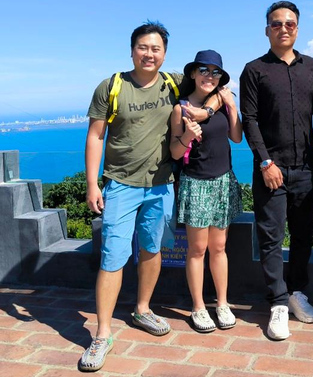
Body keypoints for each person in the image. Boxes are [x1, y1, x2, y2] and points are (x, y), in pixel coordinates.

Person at [80, 21, 216, 372]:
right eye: (143, 47)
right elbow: (96, 135)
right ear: (132, 50)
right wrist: (92, 184)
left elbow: (214, 87)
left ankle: (142, 309)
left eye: (156, 48)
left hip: (161, 184)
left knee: (152, 249)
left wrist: (209, 109)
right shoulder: (112, 86)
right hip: (120, 184)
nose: (149, 53)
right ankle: (102, 333)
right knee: (113, 256)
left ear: (165, 53)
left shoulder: (173, 83)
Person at [240, 0, 313, 341]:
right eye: (276, 24)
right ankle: (278, 302)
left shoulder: (312, 66)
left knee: (305, 233)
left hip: (305, 167)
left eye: (290, 23)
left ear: (298, 28)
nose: (284, 28)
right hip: (270, 168)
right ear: (267, 30)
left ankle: (296, 293)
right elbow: (249, 119)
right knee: (271, 237)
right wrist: (265, 162)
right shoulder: (255, 69)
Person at [169, 50, 244, 333]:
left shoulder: (223, 103)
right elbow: (175, 153)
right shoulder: (181, 108)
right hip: (196, 183)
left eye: (215, 72)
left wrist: (232, 107)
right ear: (192, 73)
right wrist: (188, 135)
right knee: (197, 249)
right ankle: (198, 306)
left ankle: (222, 303)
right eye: (204, 70)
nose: (209, 76)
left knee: (219, 247)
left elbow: (236, 137)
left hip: (223, 181)